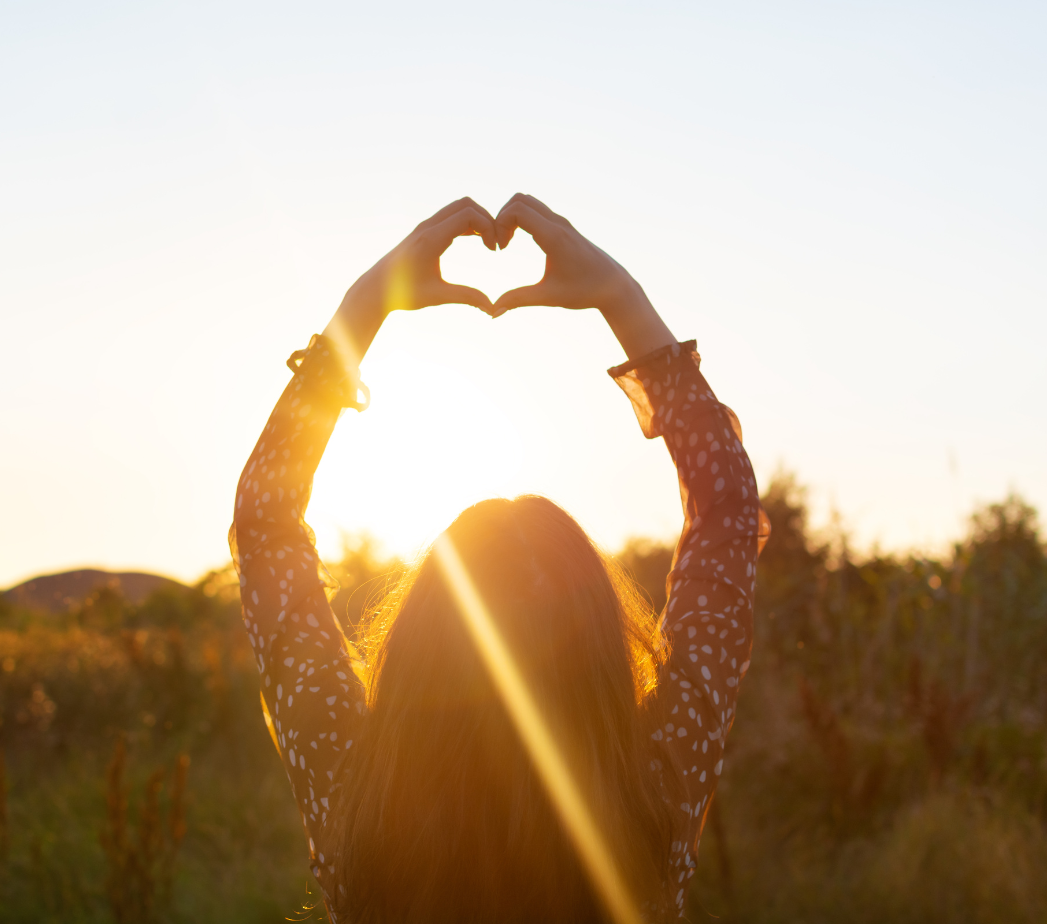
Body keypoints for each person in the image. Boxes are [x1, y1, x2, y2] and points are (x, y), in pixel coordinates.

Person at [230, 194, 768, 923]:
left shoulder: (355, 784)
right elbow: (728, 512)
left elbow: (265, 523)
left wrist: (364, 310)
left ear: (424, 636)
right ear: (601, 643)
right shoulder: (657, 782)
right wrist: (620, 298)